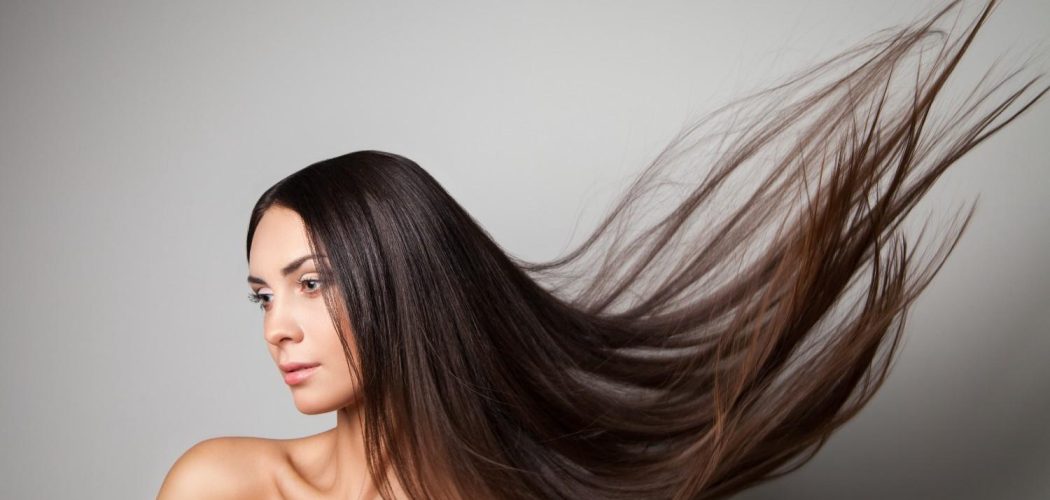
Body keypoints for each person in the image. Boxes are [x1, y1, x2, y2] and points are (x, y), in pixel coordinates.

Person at [158, 1, 1047, 499]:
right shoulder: (223, 485)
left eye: (310, 283)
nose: (277, 326)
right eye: (262, 295)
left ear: (408, 281)